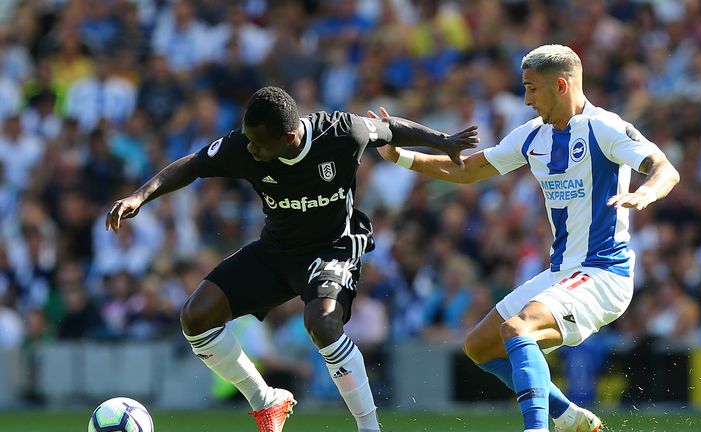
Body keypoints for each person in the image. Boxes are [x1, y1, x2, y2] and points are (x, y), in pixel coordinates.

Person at [106, 86, 477, 432]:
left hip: (333, 247)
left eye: (257, 143)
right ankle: (265, 400)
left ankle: (369, 428)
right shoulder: (244, 146)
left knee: (324, 323)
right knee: (196, 317)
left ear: (287, 138)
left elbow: (388, 129)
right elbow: (192, 164)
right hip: (276, 251)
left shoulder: (341, 133)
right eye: (247, 139)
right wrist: (140, 196)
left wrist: (442, 142)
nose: (249, 149)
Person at [371, 44, 680, 432]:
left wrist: (647, 192)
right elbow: (468, 170)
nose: (527, 99)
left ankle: (537, 428)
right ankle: (567, 416)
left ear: (562, 85)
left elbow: (665, 168)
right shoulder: (533, 136)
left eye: (533, 88)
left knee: (518, 329)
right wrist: (400, 156)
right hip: (562, 271)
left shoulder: (605, 128)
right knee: (480, 346)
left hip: (603, 273)